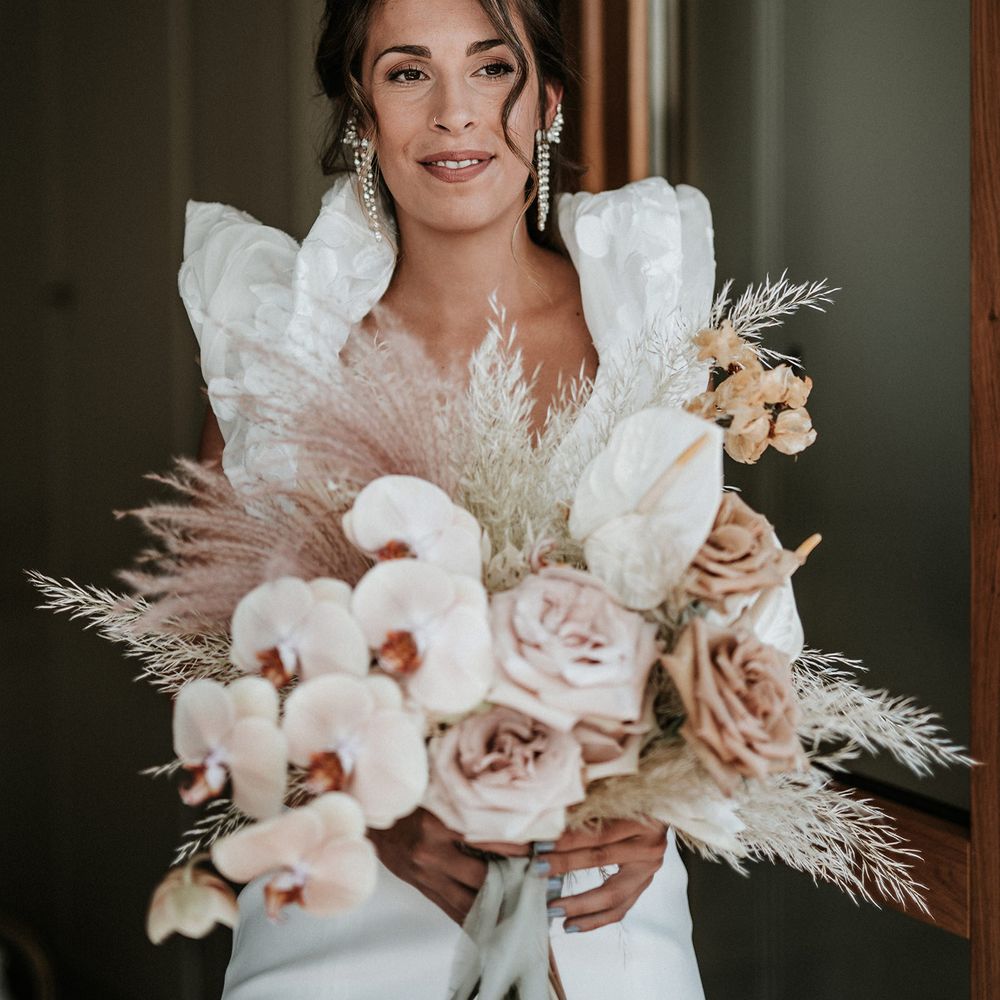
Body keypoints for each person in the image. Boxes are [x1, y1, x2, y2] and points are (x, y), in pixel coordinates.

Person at [182, 1, 712, 996]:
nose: (454, 113)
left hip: (601, 899)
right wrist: (371, 812)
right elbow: (214, 678)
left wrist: (677, 794)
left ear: (546, 99)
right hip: (347, 908)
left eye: (491, 68)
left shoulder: (646, 324)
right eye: (407, 72)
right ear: (360, 108)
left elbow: (724, 625)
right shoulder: (277, 353)